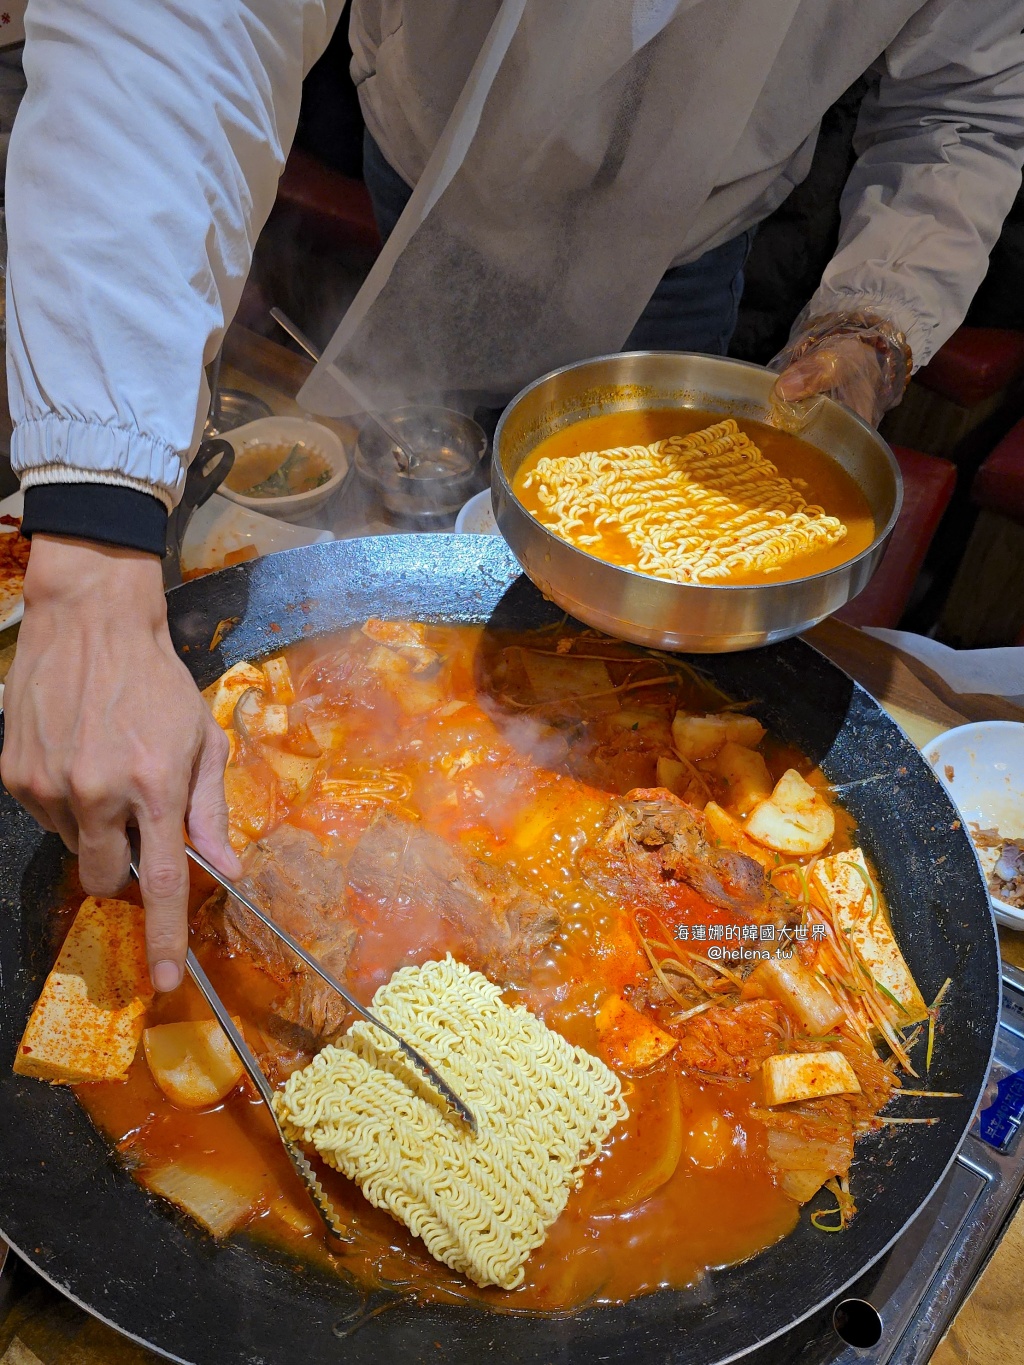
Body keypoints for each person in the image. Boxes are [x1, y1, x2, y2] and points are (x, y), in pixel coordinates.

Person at [3, 0, 1023, 994]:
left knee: (625, 626)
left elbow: (969, 103)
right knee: (406, 439)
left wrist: (877, 317)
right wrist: (93, 540)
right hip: (434, 144)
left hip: (702, 222)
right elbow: (180, 23)